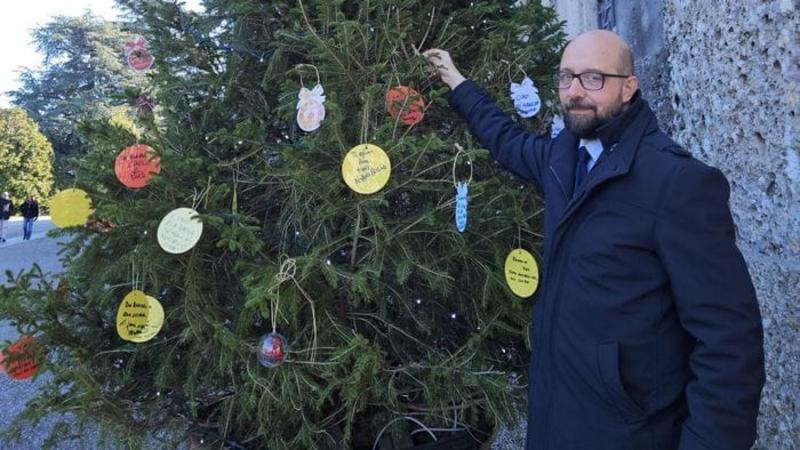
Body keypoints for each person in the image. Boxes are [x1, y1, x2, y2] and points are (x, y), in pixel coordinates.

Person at [424, 30, 764, 450]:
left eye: (593, 78)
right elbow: (506, 140)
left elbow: (729, 342)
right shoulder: (563, 157)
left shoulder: (677, 183)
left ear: (629, 87)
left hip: (627, 434)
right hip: (556, 419)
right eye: (566, 77)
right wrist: (458, 83)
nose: (575, 92)